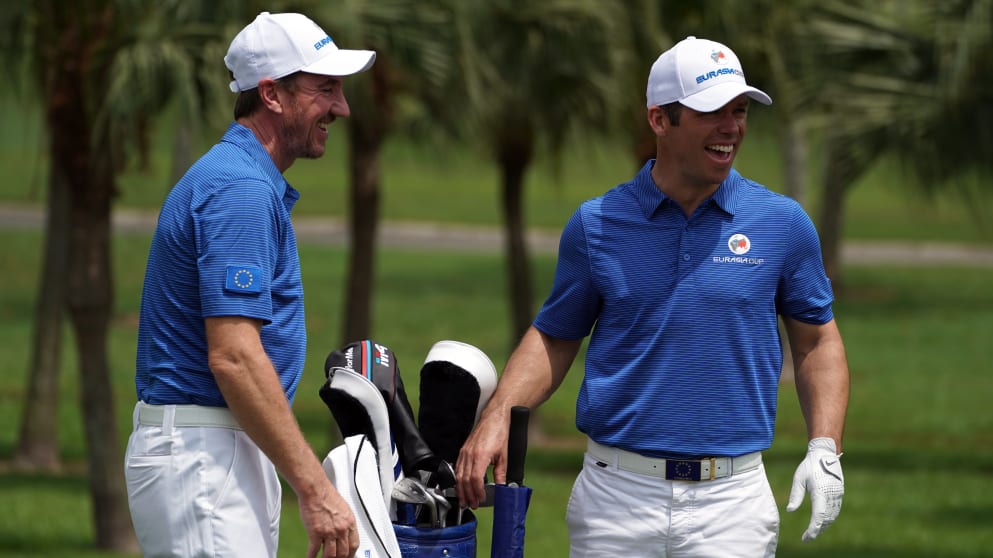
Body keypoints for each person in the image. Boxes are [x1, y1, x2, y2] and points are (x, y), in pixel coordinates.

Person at [455, 36, 850, 556]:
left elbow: (816, 344)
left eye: (739, 110)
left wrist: (825, 448)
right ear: (660, 120)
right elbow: (555, 336)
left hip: (731, 504)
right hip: (616, 499)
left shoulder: (782, 223)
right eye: (712, 112)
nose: (731, 128)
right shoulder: (596, 224)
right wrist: (499, 415)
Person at [124, 12, 375, 558]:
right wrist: (315, 489)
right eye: (325, 88)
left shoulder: (241, 177)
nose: (342, 107)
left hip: (218, 449)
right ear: (272, 95)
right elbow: (234, 357)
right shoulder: (239, 187)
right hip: (203, 456)